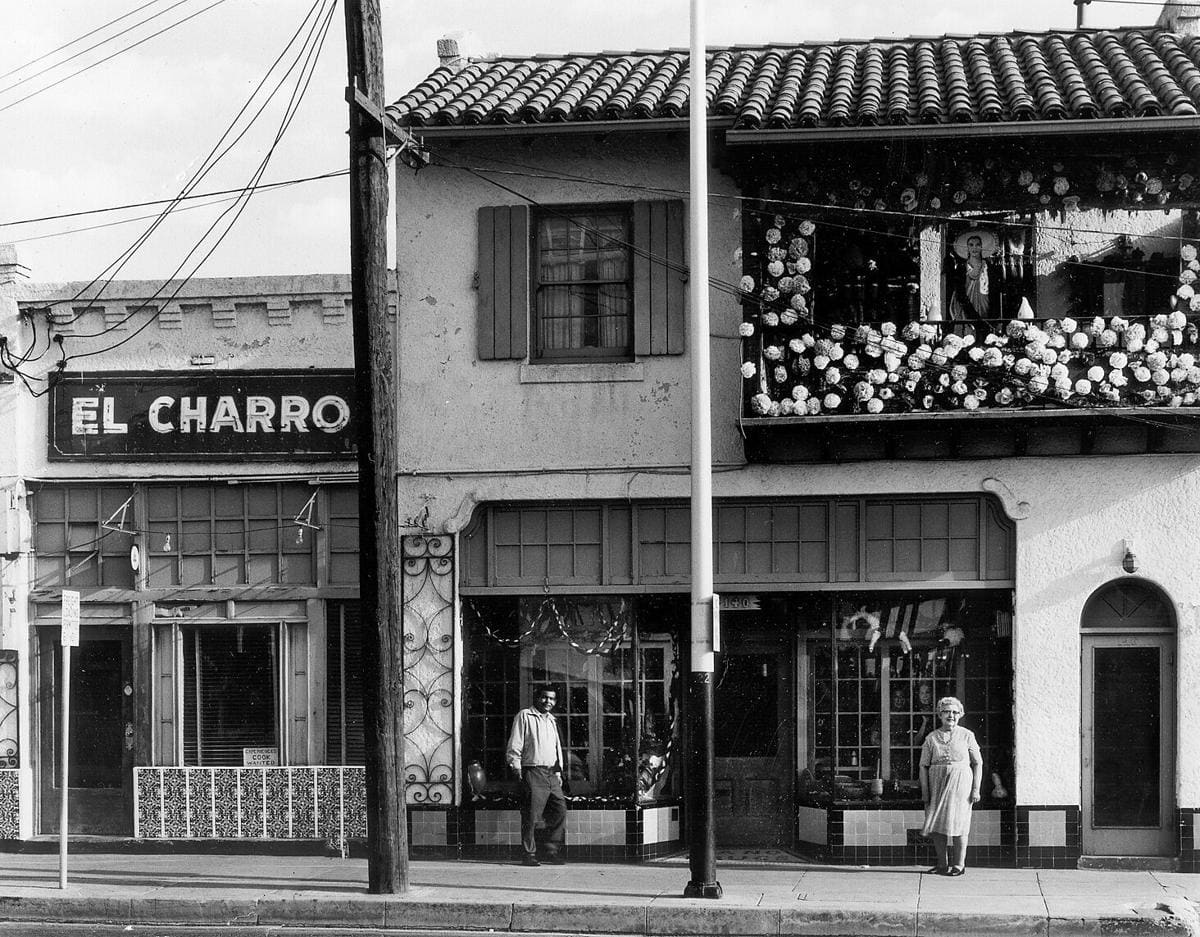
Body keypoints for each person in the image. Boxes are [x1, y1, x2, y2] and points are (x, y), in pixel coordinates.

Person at [920, 696, 982, 876]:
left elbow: (978, 763)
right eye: (946, 711)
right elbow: (923, 765)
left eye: (955, 712)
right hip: (937, 783)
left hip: (961, 783)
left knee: (959, 823)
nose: (951, 716)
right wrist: (925, 792)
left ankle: (959, 865)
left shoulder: (967, 735)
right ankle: (942, 864)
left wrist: (976, 789)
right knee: (937, 825)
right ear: (940, 714)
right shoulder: (931, 738)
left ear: (960, 714)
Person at [507, 686, 567, 866]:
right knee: (531, 815)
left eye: (552, 699)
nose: (548, 702)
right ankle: (529, 853)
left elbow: (555, 747)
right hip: (533, 771)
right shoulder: (525, 716)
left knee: (559, 809)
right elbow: (515, 743)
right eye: (544, 697)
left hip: (552, 773)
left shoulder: (552, 720)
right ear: (537, 698)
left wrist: (558, 771)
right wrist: (516, 766)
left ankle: (551, 850)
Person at [948, 230, 1001, 320]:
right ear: (967, 248)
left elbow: (994, 292)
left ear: (981, 247)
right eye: (971, 245)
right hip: (966, 313)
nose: (974, 248)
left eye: (977, 245)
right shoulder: (962, 268)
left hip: (987, 310)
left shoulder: (989, 267)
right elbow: (960, 294)